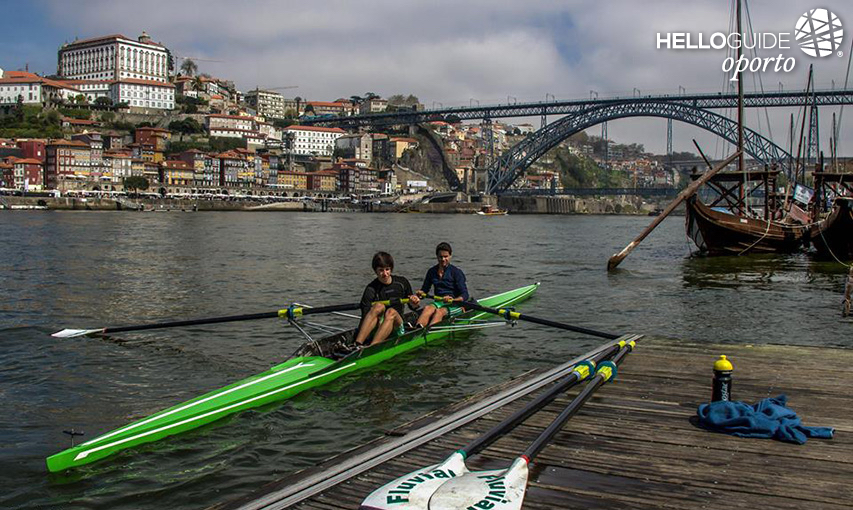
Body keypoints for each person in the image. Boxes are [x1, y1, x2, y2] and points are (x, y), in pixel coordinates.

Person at [354, 252, 419, 347]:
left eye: (387, 269)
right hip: (378, 326)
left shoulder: (402, 282)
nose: (385, 274)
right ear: (375, 271)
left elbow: (413, 307)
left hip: (397, 326)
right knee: (378, 306)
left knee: (391, 311)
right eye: (381, 270)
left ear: (391, 269)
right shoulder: (371, 289)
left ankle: (372, 347)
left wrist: (415, 302)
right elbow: (365, 316)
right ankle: (357, 344)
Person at [416, 242, 469, 327]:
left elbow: (465, 295)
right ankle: (417, 330)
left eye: (446, 256)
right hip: (440, 302)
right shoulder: (431, 272)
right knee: (427, 308)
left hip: (455, 305)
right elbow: (425, 290)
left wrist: (453, 299)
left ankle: (431, 333)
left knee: (439, 312)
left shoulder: (456, 272)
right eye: (440, 257)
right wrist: (420, 294)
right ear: (437, 257)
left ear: (450, 256)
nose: (443, 259)